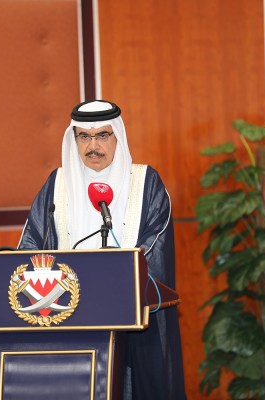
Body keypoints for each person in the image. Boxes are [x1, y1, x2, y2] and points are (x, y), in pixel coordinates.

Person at [17, 100, 186, 399]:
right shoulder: (57, 184)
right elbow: (32, 244)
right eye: (84, 136)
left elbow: (155, 246)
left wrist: (111, 283)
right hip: (67, 319)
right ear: (74, 139)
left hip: (130, 326)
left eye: (102, 136)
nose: (93, 146)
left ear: (117, 136)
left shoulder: (145, 183)